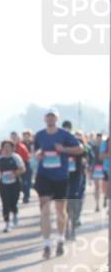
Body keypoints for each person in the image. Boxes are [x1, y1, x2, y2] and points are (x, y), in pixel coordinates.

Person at [34, 109, 84, 258]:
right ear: (44, 119)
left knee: (60, 210)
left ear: (57, 119)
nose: (50, 119)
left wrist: (64, 149)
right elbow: (36, 152)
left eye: (53, 117)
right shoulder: (40, 135)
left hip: (60, 177)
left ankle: (61, 239)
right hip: (44, 175)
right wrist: (38, 155)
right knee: (44, 210)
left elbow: (80, 149)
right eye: (48, 117)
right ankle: (47, 244)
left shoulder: (64, 135)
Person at [0, 140, 26, 232]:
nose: (6, 149)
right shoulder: (0, 158)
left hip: (15, 183)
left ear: (12, 148)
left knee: (13, 201)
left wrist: (15, 174)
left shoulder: (16, 157)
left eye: (8, 147)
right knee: (5, 203)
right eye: (4, 147)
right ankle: (7, 224)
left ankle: (15, 213)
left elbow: (23, 169)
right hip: (3, 184)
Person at [22, 129, 36, 203]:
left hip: (32, 163)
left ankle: (26, 196)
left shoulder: (34, 144)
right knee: (23, 181)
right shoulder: (21, 144)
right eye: (25, 136)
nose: (26, 137)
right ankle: (26, 193)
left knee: (28, 180)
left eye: (28, 136)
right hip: (23, 163)